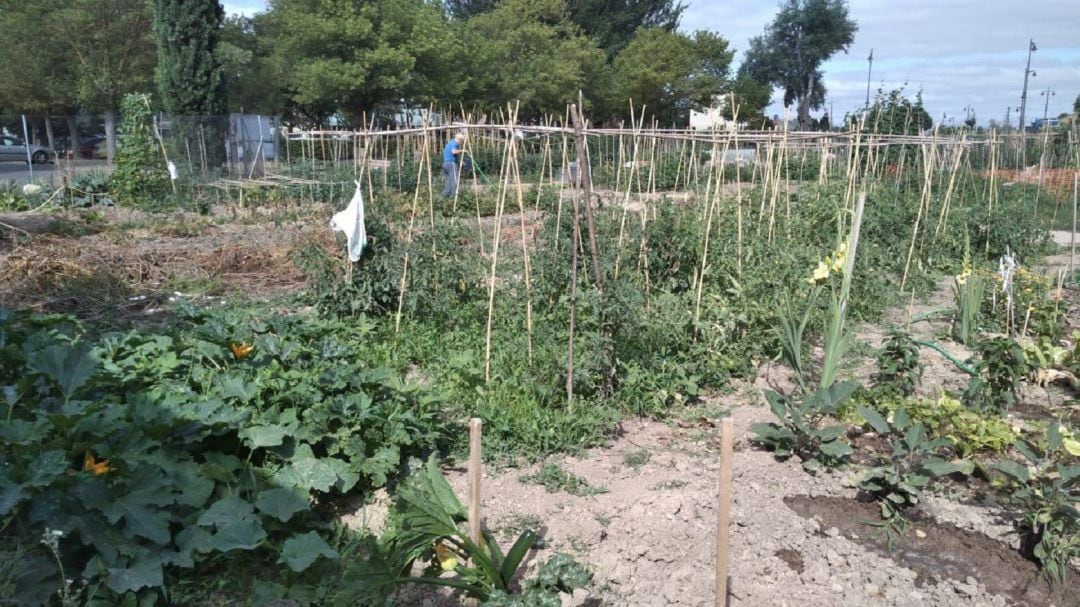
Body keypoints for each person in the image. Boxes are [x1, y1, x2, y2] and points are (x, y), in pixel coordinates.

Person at [442, 132, 466, 197]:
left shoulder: (449, 143)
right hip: (451, 164)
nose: (462, 142)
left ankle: (444, 196)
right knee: (454, 181)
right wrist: (462, 150)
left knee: (448, 182)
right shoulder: (454, 143)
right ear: (460, 139)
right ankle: (453, 198)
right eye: (462, 141)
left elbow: (450, 155)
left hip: (445, 164)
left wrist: (460, 161)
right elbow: (453, 151)